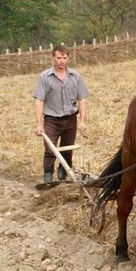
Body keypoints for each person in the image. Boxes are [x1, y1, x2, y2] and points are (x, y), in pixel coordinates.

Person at [33, 44, 89, 184]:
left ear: (68, 58)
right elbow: (39, 101)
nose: (61, 61)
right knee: (50, 148)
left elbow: (81, 99)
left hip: (70, 119)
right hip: (52, 120)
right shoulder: (45, 77)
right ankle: (48, 175)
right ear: (53, 58)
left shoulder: (75, 76)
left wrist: (82, 121)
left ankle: (63, 173)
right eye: (58, 58)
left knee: (68, 148)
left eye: (64, 58)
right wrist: (39, 124)